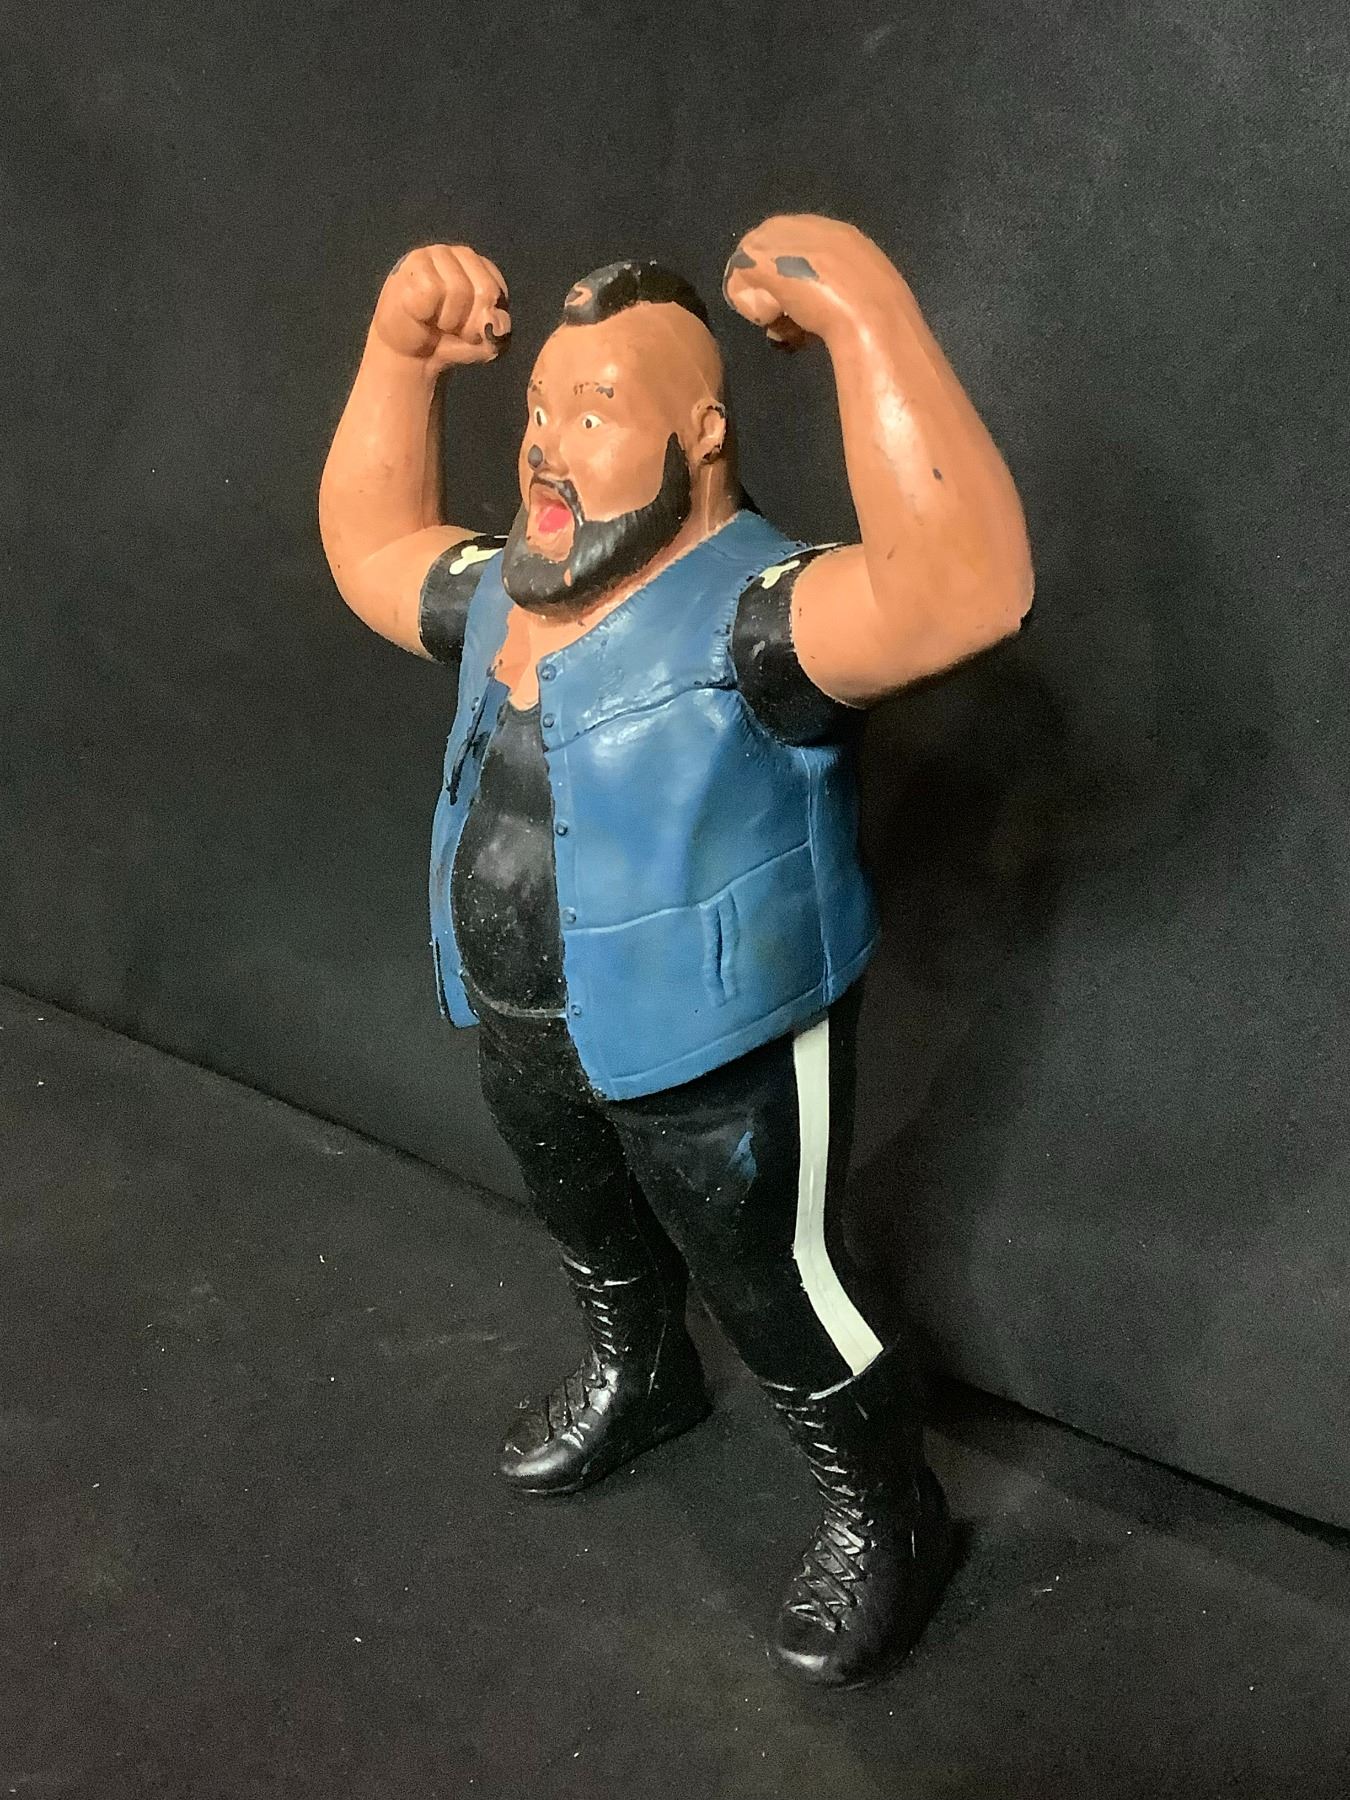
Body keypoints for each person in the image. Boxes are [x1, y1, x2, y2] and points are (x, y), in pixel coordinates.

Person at [319, 215, 1032, 1689]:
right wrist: (397, 363)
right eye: (539, 408)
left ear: (701, 438)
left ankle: (885, 1508)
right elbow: (375, 549)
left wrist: (866, 318)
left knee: (775, 1282)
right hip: (526, 1013)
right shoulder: (510, 588)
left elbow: (964, 588)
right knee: (584, 1217)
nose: (546, 444)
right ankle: (641, 1372)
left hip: (721, 1036)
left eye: (593, 412)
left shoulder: (761, 617)